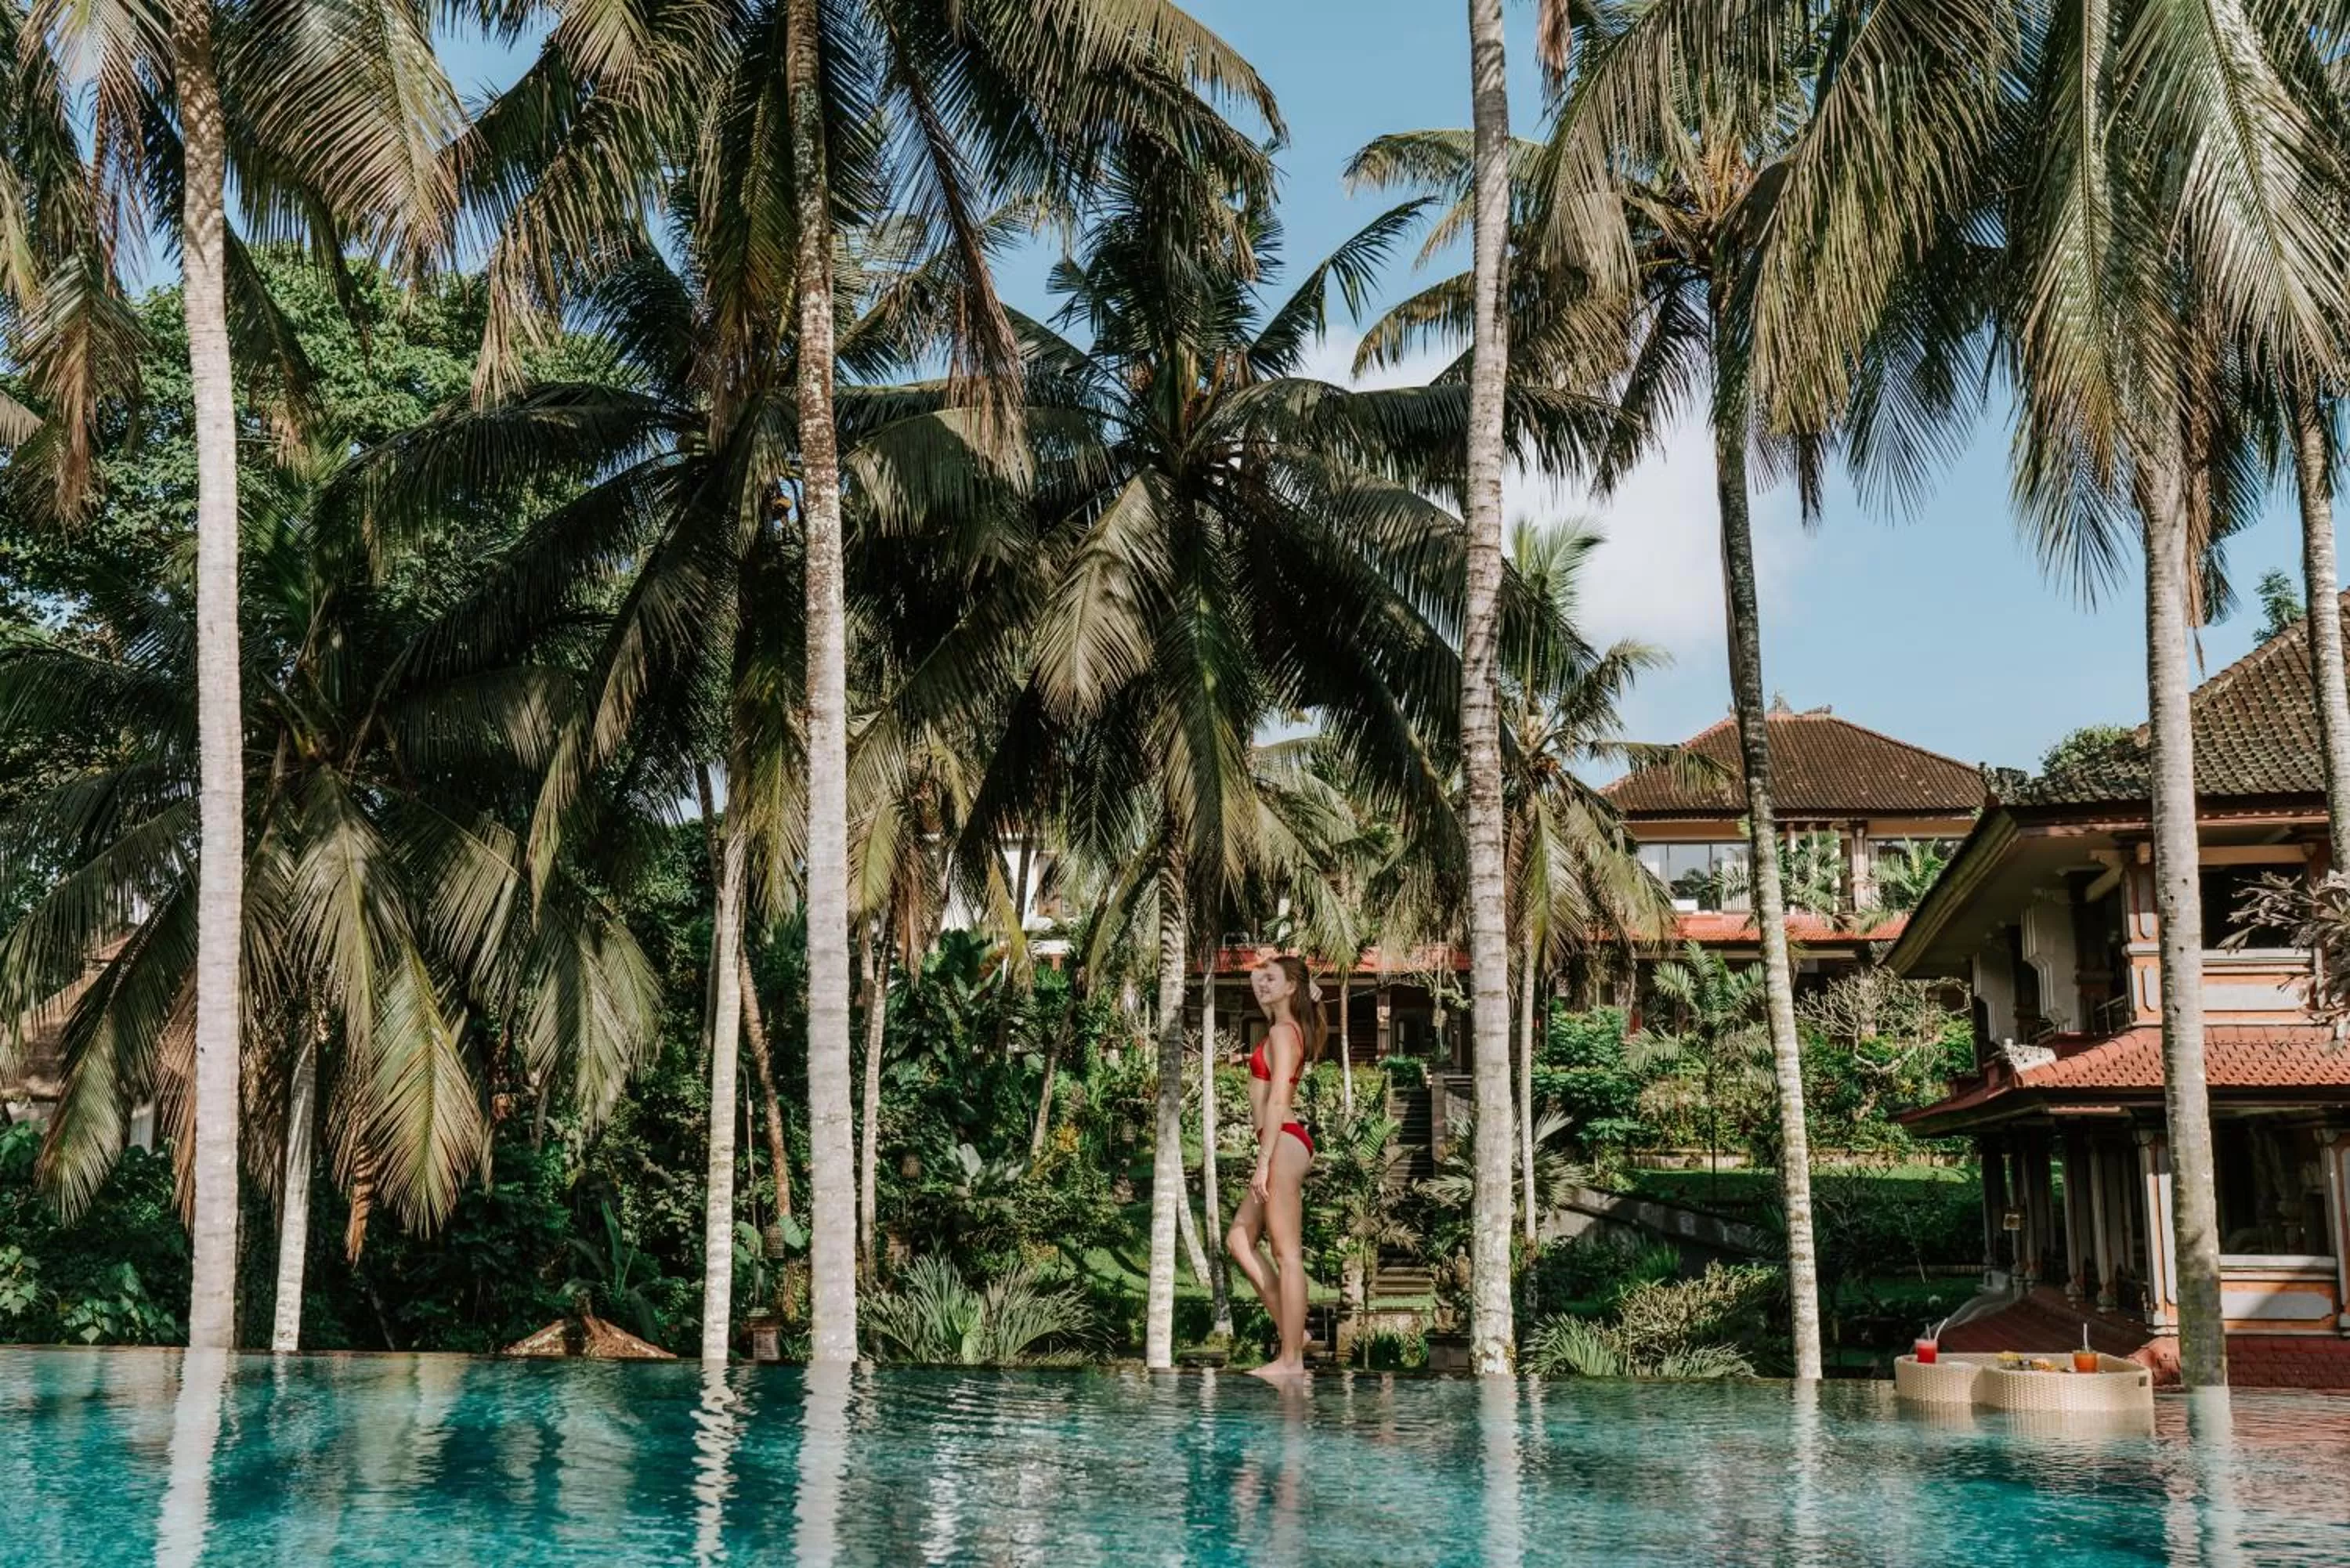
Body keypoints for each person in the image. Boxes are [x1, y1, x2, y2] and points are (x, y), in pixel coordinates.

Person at [1225, 955, 1322, 1379]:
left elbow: (1279, 1099)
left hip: (1280, 1143)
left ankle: (1291, 1361)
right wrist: (1288, 979)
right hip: (1277, 1143)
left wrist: (1263, 1161)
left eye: (1273, 980)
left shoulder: (1284, 1033)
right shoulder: (1281, 1020)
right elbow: (1254, 976)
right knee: (1238, 1240)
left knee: (1287, 1253)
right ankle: (1292, 1333)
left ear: (1289, 990)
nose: (1261, 984)